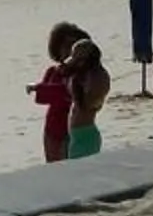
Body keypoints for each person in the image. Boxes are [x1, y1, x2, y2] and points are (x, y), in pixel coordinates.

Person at [29, 21, 86, 163]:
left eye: (73, 46)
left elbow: (68, 93)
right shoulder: (53, 72)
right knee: (52, 166)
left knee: (67, 165)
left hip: (71, 129)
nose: (69, 51)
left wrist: (41, 88)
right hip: (52, 128)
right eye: (65, 46)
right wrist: (40, 89)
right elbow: (41, 97)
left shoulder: (80, 74)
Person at [65, 36, 110, 158]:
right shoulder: (85, 75)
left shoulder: (98, 76)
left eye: (78, 59)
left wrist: (77, 86)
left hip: (86, 135)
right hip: (77, 135)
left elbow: (90, 104)